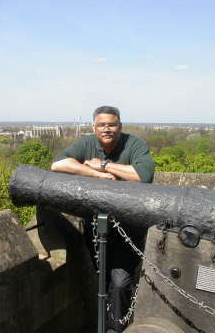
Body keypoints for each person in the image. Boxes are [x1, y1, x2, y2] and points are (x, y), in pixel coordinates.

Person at [51, 106, 154, 333]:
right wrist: (97, 175)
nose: (107, 129)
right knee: (104, 280)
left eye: (112, 124)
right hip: (96, 228)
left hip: (129, 229)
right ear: (94, 127)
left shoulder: (134, 144)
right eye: (102, 125)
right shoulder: (87, 143)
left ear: (120, 125)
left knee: (119, 283)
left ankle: (113, 329)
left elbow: (143, 175)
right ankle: (107, 322)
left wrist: (104, 164)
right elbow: (58, 164)